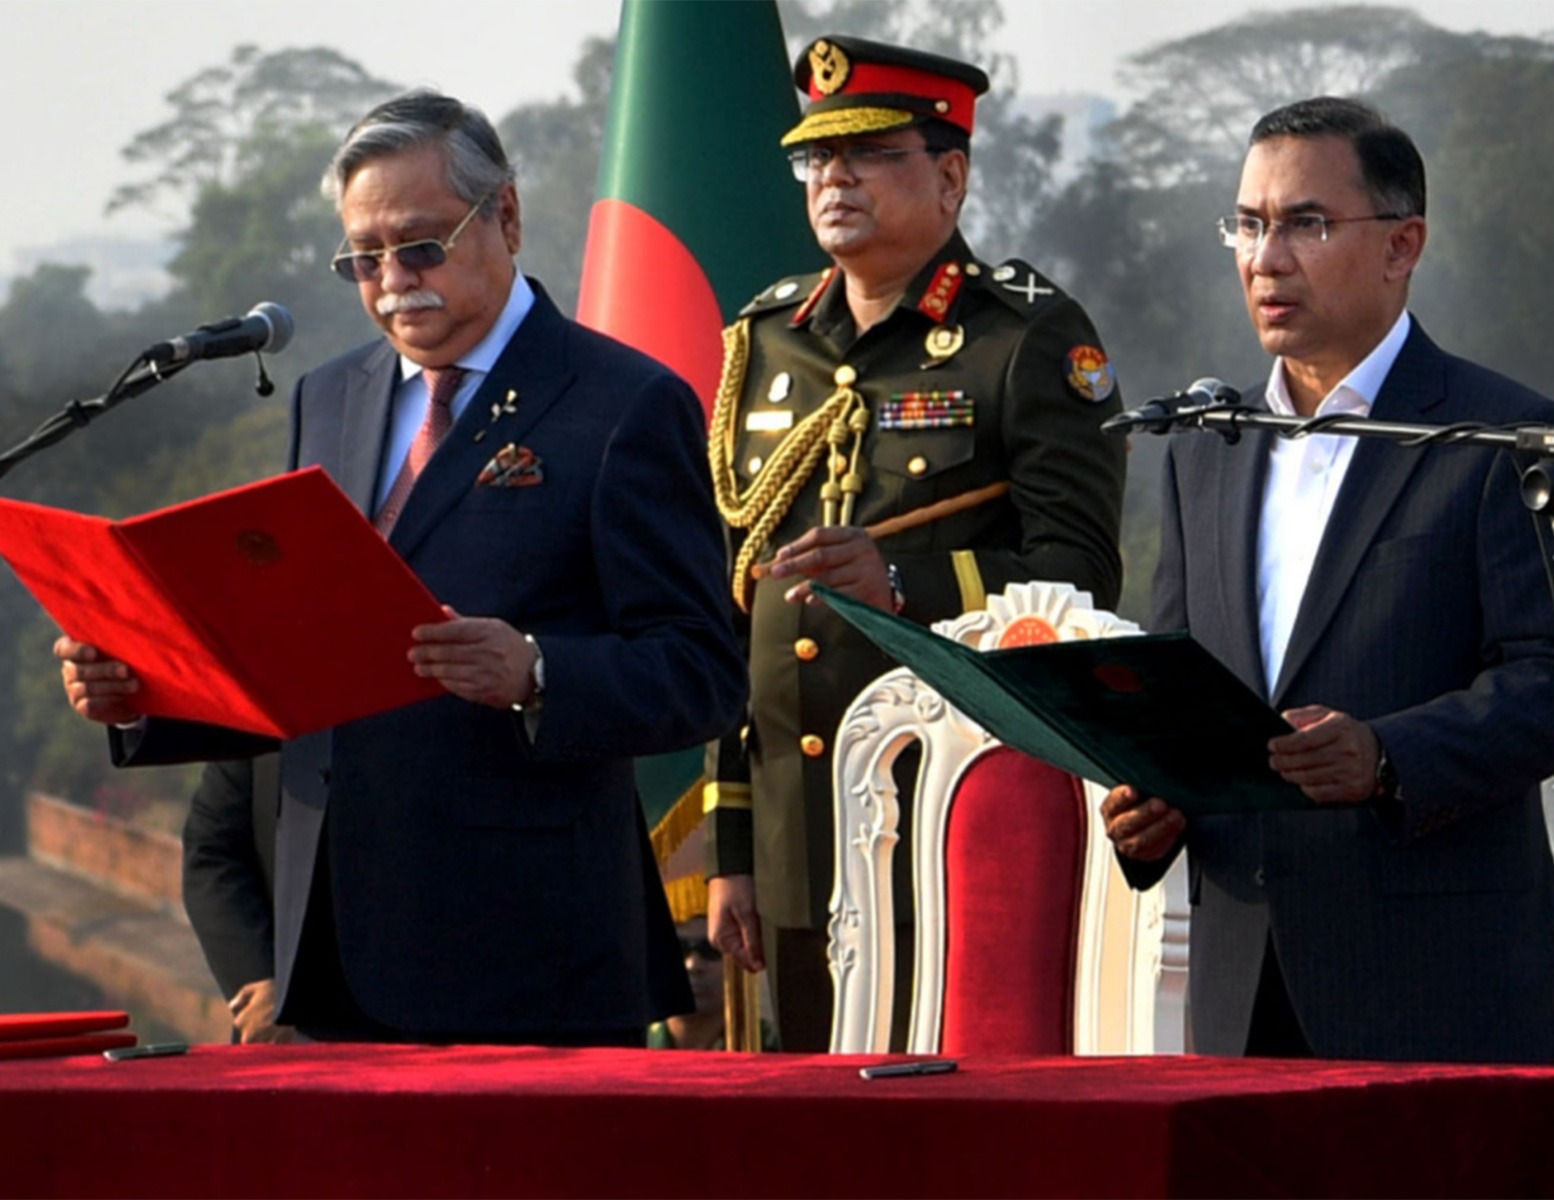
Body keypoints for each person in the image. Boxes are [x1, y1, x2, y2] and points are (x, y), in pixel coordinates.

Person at [56, 91, 746, 1045]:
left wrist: (539, 671)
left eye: (419, 246)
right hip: (331, 939)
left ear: (504, 216)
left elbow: (705, 673)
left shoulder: (623, 404)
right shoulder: (330, 395)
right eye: (362, 260)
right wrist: (142, 694)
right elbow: (302, 654)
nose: (390, 283)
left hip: (525, 952)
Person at [1101, 96, 1554, 1063]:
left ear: (1402, 244)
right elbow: (1187, 687)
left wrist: (1390, 755)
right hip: (1242, 985)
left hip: (1436, 982)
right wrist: (1154, 803)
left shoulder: (1497, 437)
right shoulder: (1206, 446)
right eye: (1247, 225)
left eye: (1306, 224)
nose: (1266, 258)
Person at [705, 35, 1127, 1051]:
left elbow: (1080, 579)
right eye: (817, 158)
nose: (833, 179)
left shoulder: (1022, 338)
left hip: (949, 823)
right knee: (804, 1129)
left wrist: (904, 581)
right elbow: (732, 607)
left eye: (868, 153)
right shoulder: (763, 342)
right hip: (794, 833)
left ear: (949, 176)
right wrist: (731, 843)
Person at [182, 755, 293, 1043]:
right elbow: (212, 852)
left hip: (411, 1036)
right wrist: (259, 979)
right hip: (273, 1032)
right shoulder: (260, 722)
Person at [645, 917, 778, 1051]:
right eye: (678, 948)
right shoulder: (632, 1045)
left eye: (710, 949)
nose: (693, 965)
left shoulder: (775, 1049)